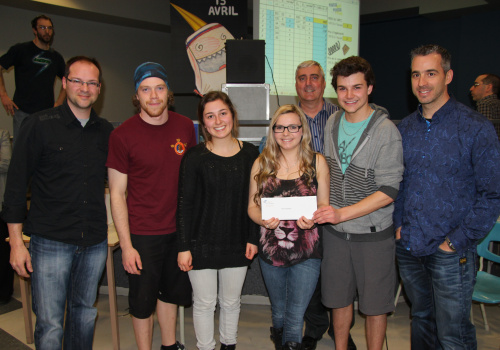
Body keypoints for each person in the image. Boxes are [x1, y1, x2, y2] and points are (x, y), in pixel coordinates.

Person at [2, 56, 113, 349]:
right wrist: (16, 243)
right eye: (77, 81)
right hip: (50, 241)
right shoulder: (38, 125)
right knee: (50, 324)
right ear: (64, 84)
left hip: (93, 241)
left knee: (85, 316)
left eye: (91, 83)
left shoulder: (106, 132)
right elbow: (14, 187)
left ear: (99, 89)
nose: (84, 88)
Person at [394, 44, 500, 349]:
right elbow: (399, 183)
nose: (422, 82)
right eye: (416, 74)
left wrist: (454, 242)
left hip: (452, 254)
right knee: (422, 321)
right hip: (411, 247)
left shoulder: (475, 128)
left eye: (431, 73)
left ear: (448, 76)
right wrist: (400, 226)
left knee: (454, 335)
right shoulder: (405, 129)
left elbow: (492, 194)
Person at [313, 56, 404, 350]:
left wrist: (341, 214)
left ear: (370, 88)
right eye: (342, 89)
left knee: (375, 305)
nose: (349, 95)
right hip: (336, 235)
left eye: (356, 87)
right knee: (338, 299)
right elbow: (325, 168)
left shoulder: (385, 131)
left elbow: (389, 190)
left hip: (373, 235)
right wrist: (326, 209)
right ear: (335, 91)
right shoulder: (332, 122)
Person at [107, 62, 195, 350]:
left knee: (169, 294)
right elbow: (117, 194)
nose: (153, 95)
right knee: (142, 301)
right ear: (137, 95)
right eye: (146, 89)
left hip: (178, 232)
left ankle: (169, 345)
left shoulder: (185, 126)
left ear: (168, 91)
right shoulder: (122, 136)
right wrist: (127, 245)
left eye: (159, 88)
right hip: (143, 234)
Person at [177, 91, 259, 350]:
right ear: (203, 122)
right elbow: (184, 204)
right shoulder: (194, 157)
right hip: (201, 244)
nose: (218, 120)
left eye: (223, 113)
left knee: (232, 302)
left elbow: (256, 200)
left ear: (233, 116)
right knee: (204, 303)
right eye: (210, 116)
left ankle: (228, 345)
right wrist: (183, 246)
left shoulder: (251, 154)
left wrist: (252, 237)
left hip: (237, 242)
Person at [248, 104, 330, 350]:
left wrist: (314, 218)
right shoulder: (261, 164)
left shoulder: (317, 163)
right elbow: (252, 207)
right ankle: (279, 338)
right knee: (280, 312)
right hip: (270, 252)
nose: (286, 133)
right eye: (280, 127)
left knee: (296, 315)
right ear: (272, 131)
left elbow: (324, 204)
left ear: (302, 130)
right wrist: (262, 219)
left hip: (308, 252)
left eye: (292, 127)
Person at [295, 60, 357, 350]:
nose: (308, 83)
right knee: (308, 270)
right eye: (302, 78)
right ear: (295, 83)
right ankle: (315, 326)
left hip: (338, 209)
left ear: (323, 83)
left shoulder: (343, 115)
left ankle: (342, 328)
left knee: (338, 272)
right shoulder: (286, 117)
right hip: (299, 213)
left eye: (314, 78)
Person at [0, 14, 65, 142]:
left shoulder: (56, 57)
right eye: (42, 27)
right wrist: (3, 95)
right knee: (21, 151)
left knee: (45, 150)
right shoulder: (21, 50)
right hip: (23, 111)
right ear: (34, 30)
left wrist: (59, 103)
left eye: (50, 28)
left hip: (47, 113)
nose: (47, 31)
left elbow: (67, 81)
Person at [0, 129, 12, 305]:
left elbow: (6, 163)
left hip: (1, 206)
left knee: (3, 251)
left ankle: (4, 293)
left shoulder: (2, 134)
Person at [470, 73, 500, 138]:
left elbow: (484, 134)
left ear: (488, 87)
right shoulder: (497, 103)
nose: (471, 88)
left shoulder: (484, 104)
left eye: (476, 85)